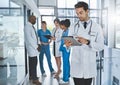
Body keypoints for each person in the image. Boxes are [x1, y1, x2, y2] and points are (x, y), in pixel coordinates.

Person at [66, 1, 104, 85]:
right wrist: (67, 45)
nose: (78, 15)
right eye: (77, 13)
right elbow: (68, 43)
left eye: (81, 13)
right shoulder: (73, 26)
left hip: (89, 65)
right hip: (77, 64)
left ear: (87, 11)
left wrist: (88, 42)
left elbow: (101, 46)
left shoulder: (96, 27)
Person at [24, 15, 41, 85]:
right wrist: (36, 46)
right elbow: (29, 39)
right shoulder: (27, 27)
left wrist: (38, 44)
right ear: (31, 19)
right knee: (34, 63)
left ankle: (32, 75)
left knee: (32, 63)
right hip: (32, 48)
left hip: (33, 48)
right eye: (34, 19)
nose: (35, 21)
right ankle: (35, 79)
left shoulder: (30, 26)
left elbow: (34, 37)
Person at [59, 19, 71, 84]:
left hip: (66, 49)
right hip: (64, 49)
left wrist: (64, 45)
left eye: (61, 25)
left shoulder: (68, 32)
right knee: (67, 63)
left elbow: (68, 41)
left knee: (65, 64)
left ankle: (65, 79)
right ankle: (67, 75)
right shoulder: (64, 31)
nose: (60, 27)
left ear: (64, 25)